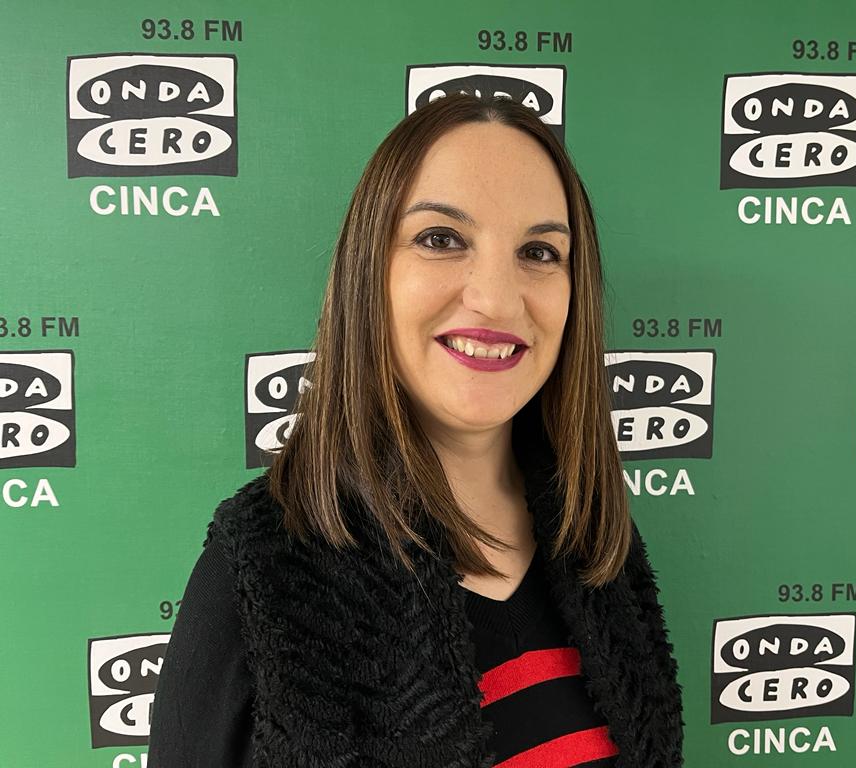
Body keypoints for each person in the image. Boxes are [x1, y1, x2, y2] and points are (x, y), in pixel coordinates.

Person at [148, 92, 684, 767]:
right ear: (369, 272)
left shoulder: (599, 540)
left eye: (540, 251)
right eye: (441, 239)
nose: (496, 298)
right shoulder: (261, 567)